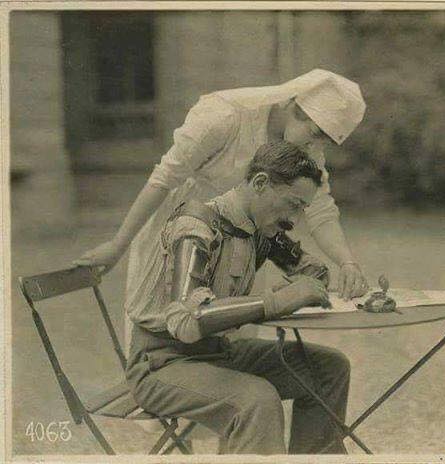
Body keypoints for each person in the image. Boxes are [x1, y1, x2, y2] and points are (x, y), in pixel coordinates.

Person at [74, 70, 369, 340]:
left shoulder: (307, 152)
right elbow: (164, 178)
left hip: (240, 246)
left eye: (325, 142)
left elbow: (320, 210)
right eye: (315, 133)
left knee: (234, 337)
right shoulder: (226, 117)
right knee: (174, 330)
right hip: (185, 232)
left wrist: (346, 262)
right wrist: (118, 244)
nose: (315, 147)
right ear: (291, 105)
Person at [125, 141, 350, 454]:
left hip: (219, 352)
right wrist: (277, 301)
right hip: (163, 364)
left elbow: (314, 270)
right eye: (293, 204)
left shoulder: (259, 229)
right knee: (256, 400)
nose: (294, 219)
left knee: (328, 368)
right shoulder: (196, 226)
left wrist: (330, 274)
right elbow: (185, 322)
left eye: (301, 209)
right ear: (260, 183)